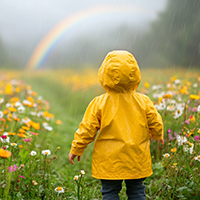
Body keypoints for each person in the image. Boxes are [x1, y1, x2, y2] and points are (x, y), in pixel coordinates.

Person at [69, 50, 164, 200]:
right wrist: (158, 135)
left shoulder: (99, 102)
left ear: (104, 73)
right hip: (136, 158)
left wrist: (77, 148)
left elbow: (87, 128)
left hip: (109, 160)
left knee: (110, 193)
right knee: (137, 191)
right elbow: (155, 121)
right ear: (135, 73)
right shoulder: (143, 101)